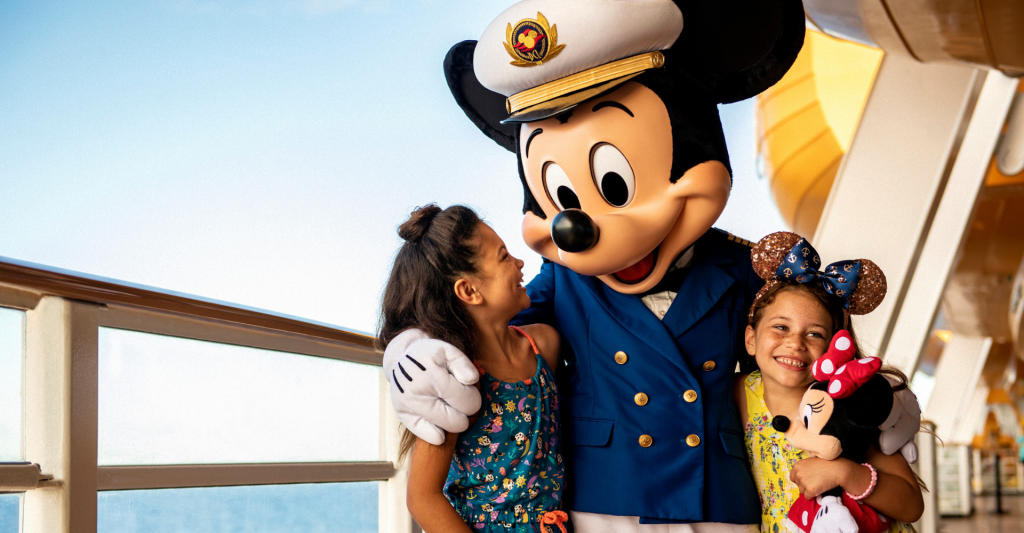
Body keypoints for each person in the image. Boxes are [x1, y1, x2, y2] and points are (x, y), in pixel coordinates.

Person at [377, 204, 566, 533]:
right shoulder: (456, 381)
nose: (520, 262)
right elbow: (422, 497)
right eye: (504, 256)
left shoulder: (544, 346)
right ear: (469, 290)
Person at [736, 233, 924, 532]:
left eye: (815, 334)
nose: (795, 343)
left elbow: (911, 505)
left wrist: (845, 473)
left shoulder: (850, 403)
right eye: (781, 327)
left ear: (836, 349)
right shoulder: (740, 392)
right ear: (750, 339)